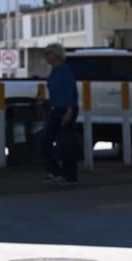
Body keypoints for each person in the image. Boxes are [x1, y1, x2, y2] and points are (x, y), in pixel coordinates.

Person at [39, 43, 79, 184]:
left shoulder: (64, 70)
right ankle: (56, 171)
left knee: (65, 141)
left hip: (65, 110)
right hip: (56, 109)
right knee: (48, 139)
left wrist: (69, 110)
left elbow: (70, 90)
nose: (45, 57)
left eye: (47, 54)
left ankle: (69, 175)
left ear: (55, 55)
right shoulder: (55, 71)